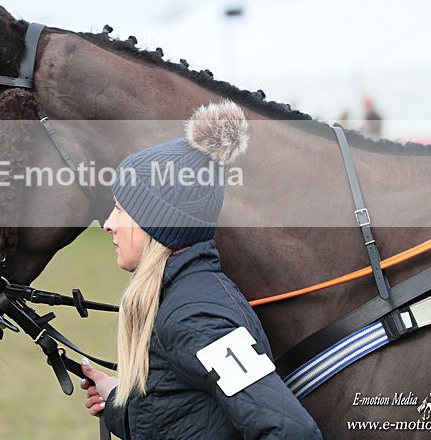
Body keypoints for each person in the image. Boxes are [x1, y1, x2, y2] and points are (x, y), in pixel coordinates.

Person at [80, 100, 321, 439]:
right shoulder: (178, 300)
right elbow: (187, 414)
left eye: (121, 209)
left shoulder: (196, 319)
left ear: (156, 224)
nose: (108, 224)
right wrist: (122, 401)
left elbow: (291, 432)